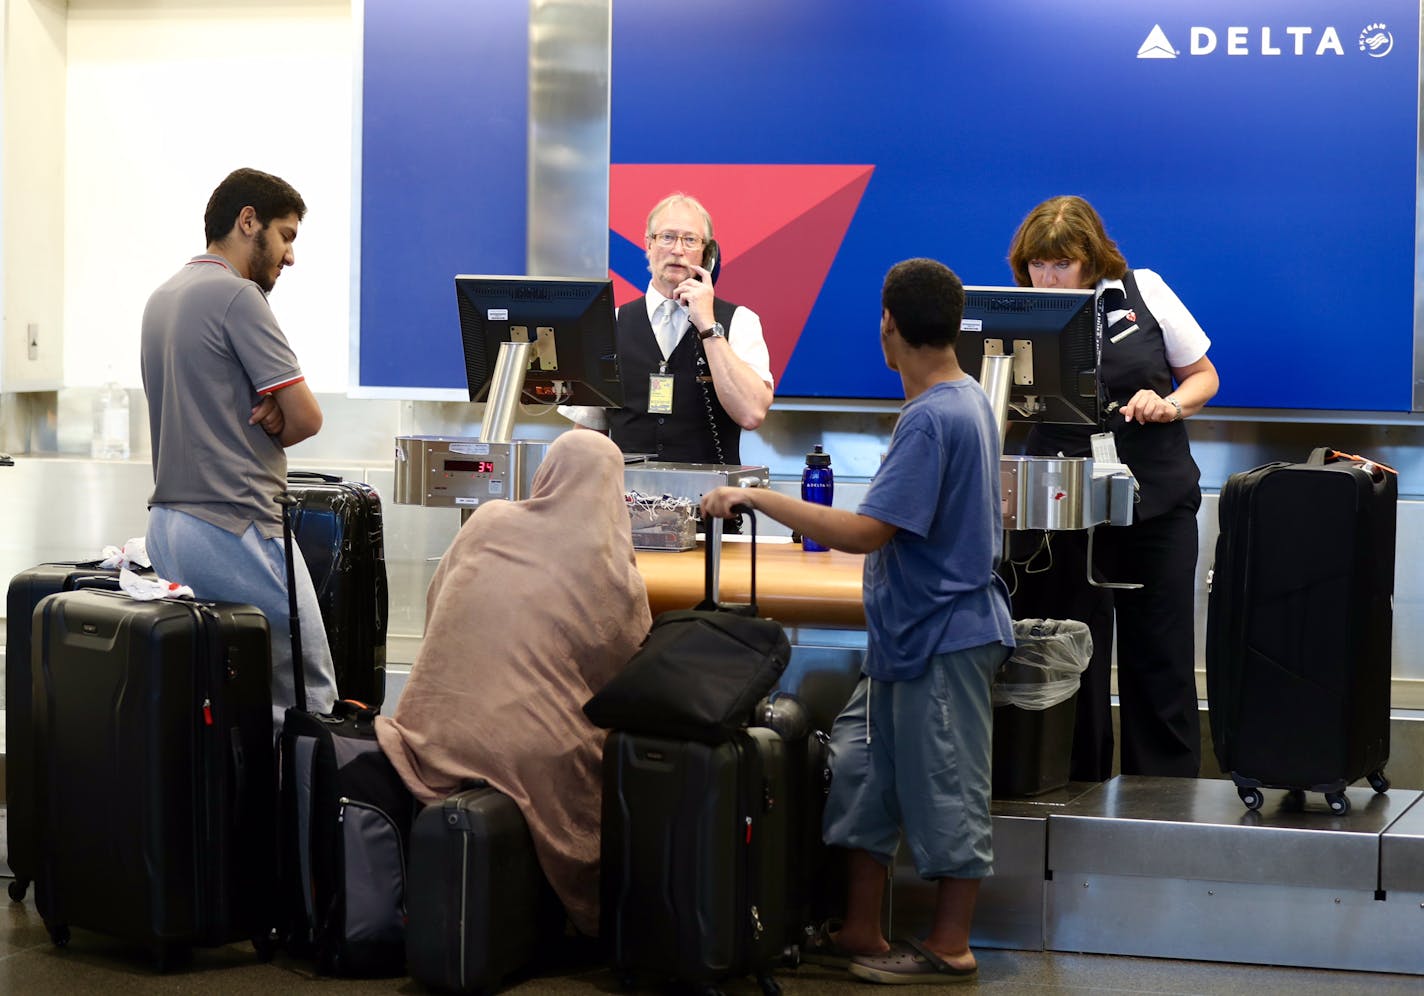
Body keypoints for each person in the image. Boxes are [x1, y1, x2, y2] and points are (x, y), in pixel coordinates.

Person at [702, 258, 1014, 984]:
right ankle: (861, 929)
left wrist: (760, 499)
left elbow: (868, 531)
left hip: (945, 636)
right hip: (909, 636)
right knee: (864, 768)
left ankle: (949, 945)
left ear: (889, 325)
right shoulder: (960, 402)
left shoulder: (935, 416)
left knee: (946, 784)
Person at [375, 430, 651, 938]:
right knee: (603, 754)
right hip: (522, 756)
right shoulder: (614, 574)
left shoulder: (489, 519)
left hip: (427, 729)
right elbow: (624, 684)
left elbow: (439, 606)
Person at [1004, 194, 1220, 780]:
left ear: (1091, 259)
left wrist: (1169, 403)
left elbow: (1204, 376)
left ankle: (1166, 808)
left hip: (1154, 504)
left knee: (1160, 662)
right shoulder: (1015, 313)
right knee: (1066, 658)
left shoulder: (1142, 290)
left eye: (1061, 264)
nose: (1047, 277)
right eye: (1036, 266)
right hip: (1057, 509)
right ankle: (1071, 792)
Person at [141, 167, 338, 726]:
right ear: (247, 221)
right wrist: (279, 412)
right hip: (236, 525)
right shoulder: (238, 297)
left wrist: (270, 406)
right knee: (304, 693)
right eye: (286, 234)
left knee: (218, 698)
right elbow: (306, 419)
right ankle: (299, 816)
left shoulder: (164, 296)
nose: (290, 255)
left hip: (170, 529)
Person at [560, 192, 773, 465]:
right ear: (648, 245)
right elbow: (589, 435)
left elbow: (752, 414)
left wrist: (708, 326)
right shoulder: (608, 324)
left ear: (707, 254)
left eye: (690, 240)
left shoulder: (740, 321)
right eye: (667, 237)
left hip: (711, 500)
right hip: (625, 499)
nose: (677, 250)